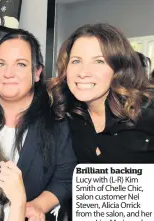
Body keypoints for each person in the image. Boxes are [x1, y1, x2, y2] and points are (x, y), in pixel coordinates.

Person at [0, 29, 77, 221]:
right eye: (1, 64)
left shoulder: (55, 115)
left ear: (37, 72)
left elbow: (65, 176)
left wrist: (38, 206)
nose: (8, 73)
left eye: (21, 64)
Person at [47, 23, 154, 163]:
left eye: (98, 61)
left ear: (118, 68)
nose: (83, 72)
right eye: (76, 61)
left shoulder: (147, 113)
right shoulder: (64, 114)